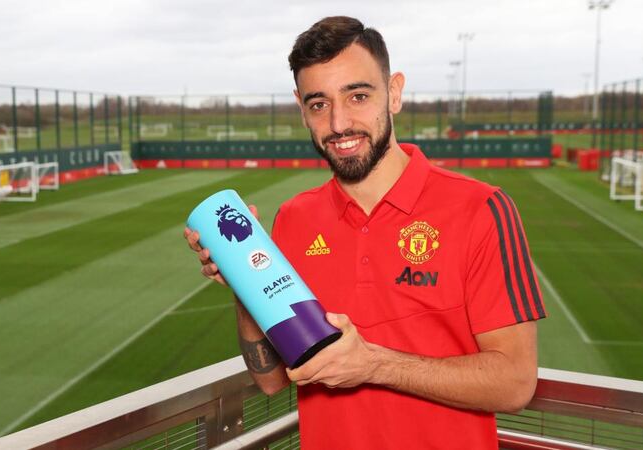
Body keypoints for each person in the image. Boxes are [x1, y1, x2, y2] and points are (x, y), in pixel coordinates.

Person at [185, 16, 546, 449]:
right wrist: (244, 277)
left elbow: (515, 383)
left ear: (394, 93)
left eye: (358, 96)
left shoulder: (481, 209)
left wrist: (374, 364)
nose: (339, 124)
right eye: (319, 104)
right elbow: (271, 380)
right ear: (302, 109)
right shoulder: (294, 219)